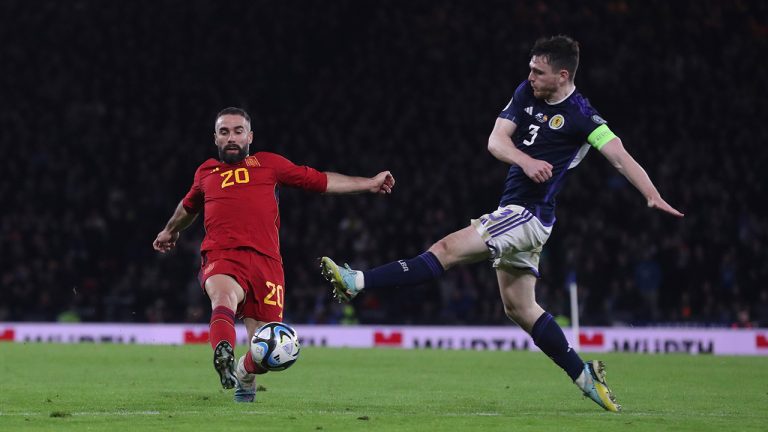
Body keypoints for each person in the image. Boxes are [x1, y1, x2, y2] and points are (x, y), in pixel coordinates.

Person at [320, 35, 684, 413]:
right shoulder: (527, 93)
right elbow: (496, 141)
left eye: (538, 71)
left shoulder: (582, 115)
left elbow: (619, 155)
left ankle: (357, 282)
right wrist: (525, 161)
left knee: (445, 251)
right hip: (519, 213)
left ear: (562, 75)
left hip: (528, 214)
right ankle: (584, 375)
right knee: (520, 308)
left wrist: (652, 195)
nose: (530, 76)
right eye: (529, 68)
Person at [153, 107, 395, 402]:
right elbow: (187, 207)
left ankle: (243, 372)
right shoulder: (206, 172)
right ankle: (223, 353)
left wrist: (369, 183)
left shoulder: (269, 164)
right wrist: (170, 231)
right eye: (224, 132)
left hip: (267, 264)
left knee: (267, 350)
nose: (231, 137)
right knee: (223, 296)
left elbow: (320, 181)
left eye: (238, 131)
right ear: (215, 138)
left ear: (250, 136)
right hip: (223, 254)